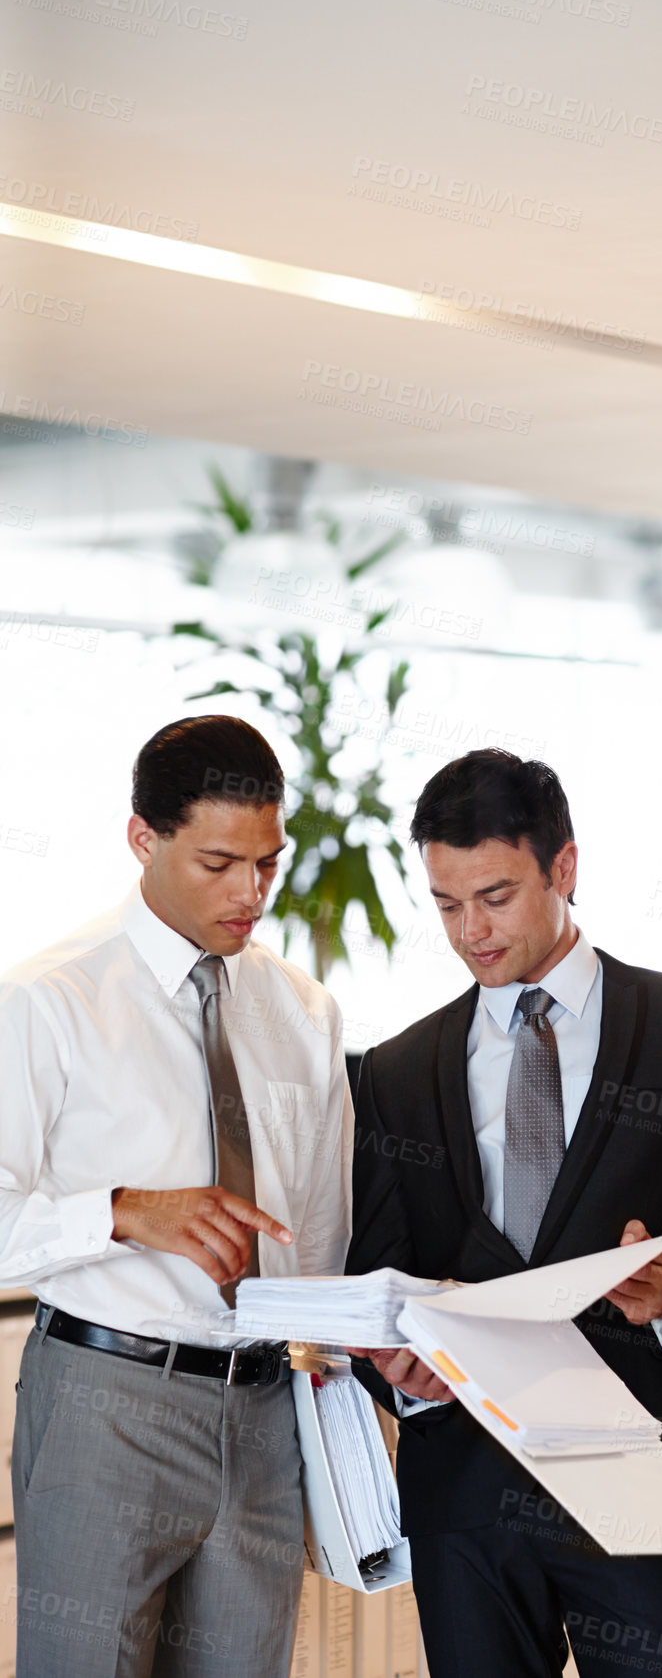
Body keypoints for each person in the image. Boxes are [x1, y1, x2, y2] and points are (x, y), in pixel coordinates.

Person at [347, 749, 662, 1678]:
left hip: (638, 1477)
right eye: (446, 905)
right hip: (466, 1498)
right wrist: (400, 1377)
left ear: (563, 869)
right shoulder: (396, 1070)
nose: (471, 932)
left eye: (495, 895)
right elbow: (383, 1274)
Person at [1, 715, 353, 1678]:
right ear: (142, 839)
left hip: (265, 1410)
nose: (251, 893)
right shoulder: (50, 1000)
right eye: (218, 862)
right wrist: (122, 1210)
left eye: (269, 863)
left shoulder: (304, 1013)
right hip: (106, 1406)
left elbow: (319, 1244)